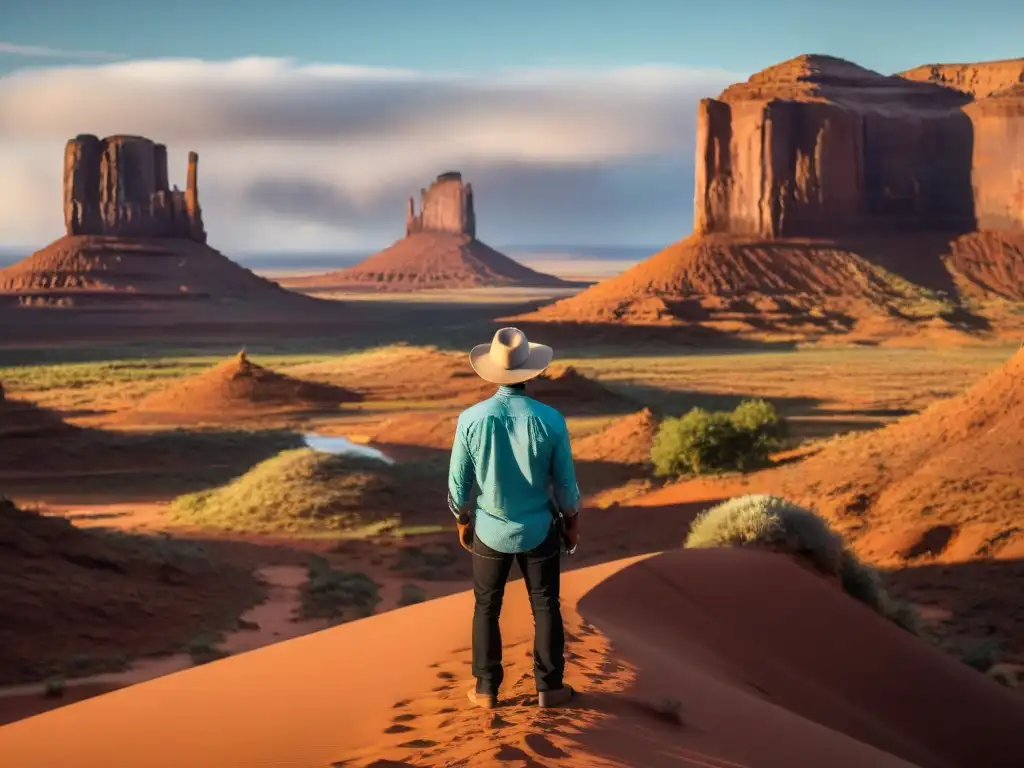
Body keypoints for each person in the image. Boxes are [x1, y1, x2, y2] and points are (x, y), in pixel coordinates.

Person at [447, 327, 581, 710]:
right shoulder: (551, 420)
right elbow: (566, 488)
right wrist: (571, 524)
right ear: (531, 372)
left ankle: (487, 689)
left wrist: (463, 521)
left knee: (486, 606)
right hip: (539, 529)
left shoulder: (471, 419)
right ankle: (550, 688)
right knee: (546, 606)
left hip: (490, 529)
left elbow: (459, 487)